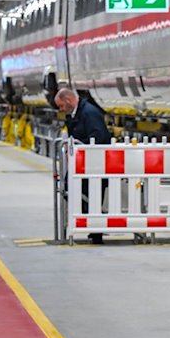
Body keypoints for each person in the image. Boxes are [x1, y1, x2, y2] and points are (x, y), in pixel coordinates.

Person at [54, 88, 112, 243]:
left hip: (94, 165)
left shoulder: (89, 113)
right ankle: (93, 227)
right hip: (82, 163)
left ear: (68, 100)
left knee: (92, 196)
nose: (61, 110)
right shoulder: (77, 113)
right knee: (73, 190)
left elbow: (98, 137)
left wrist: (79, 147)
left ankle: (96, 230)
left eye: (61, 106)